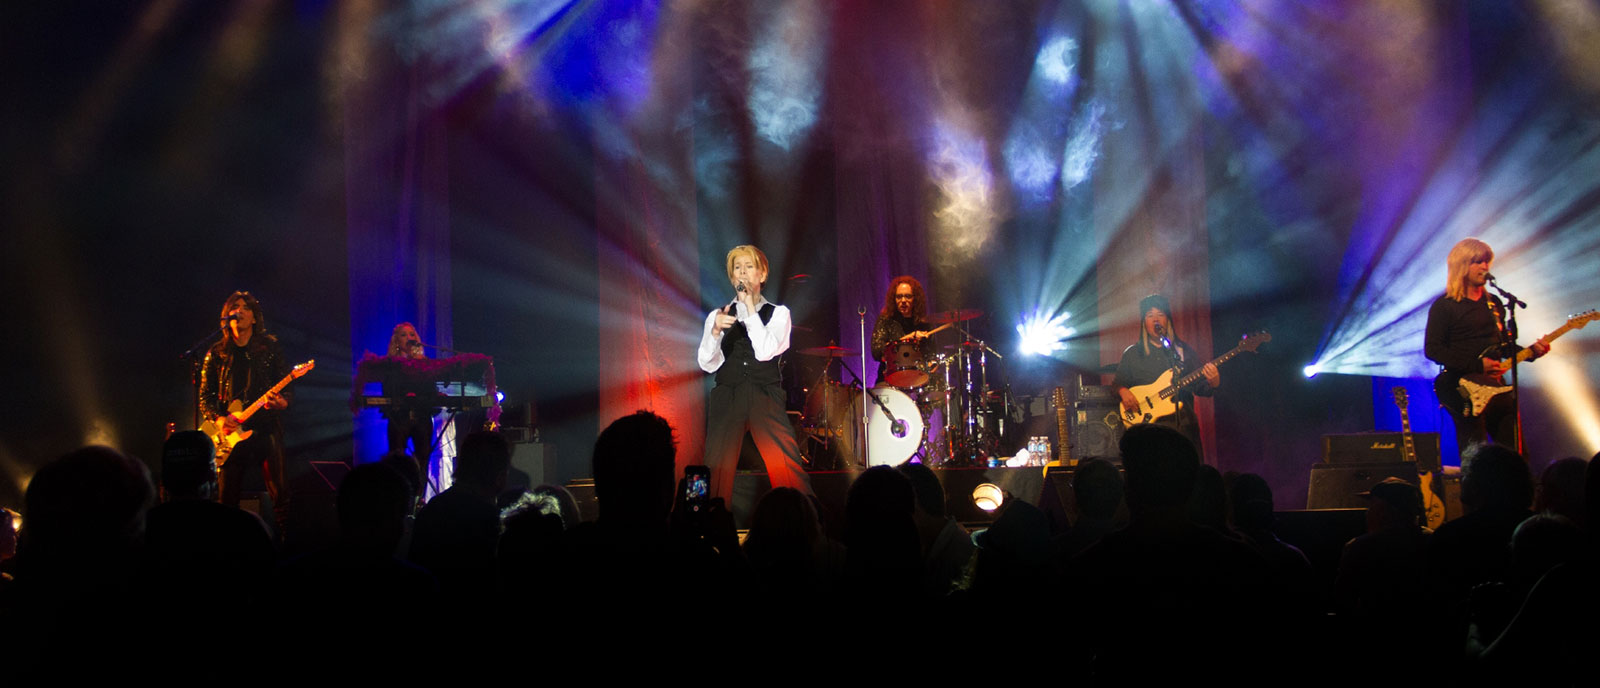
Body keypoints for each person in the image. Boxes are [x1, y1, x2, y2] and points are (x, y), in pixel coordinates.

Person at [697, 245, 812, 503]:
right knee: (714, 467)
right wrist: (715, 332)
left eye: (749, 266)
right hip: (728, 393)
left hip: (765, 393)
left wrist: (749, 310)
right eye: (737, 268)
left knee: (786, 464)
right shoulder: (718, 315)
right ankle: (704, 521)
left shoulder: (779, 314)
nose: (742, 272)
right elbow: (706, 364)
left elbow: (765, 351)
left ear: (762, 274)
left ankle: (805, 516)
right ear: (732, 277)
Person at [1424, 238, 1549, 452]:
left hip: (1496, 387)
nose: (1484, 266)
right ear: (1462, 265)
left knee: (1515, 452)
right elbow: (1433, 349)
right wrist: (1478, 365)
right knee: (1475, 452)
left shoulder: (1494, 304)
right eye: (1477, 261)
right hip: (1461, 388)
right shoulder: (1444, 306)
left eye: (1486, 261)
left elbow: (1502, 346)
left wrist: (1532, 352)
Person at [199, 291, 292, 533]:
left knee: (280, 493)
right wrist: (219, 419)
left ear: (254, 317)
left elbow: (286, 387)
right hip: (230, 433)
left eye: (245, 307)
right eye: (234, 307)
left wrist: (282, 402)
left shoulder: (269, 348)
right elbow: (205, 397)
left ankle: (285, 540)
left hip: (266, 427)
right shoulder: (216, 353)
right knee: (226, 499)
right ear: (226, 316)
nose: (239, 311)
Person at [1115, 294, 1219, 453]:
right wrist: (1123, 391)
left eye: (1160, 314)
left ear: (1167, 320)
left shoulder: (1183, 351)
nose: (1155, 320)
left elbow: (1201, 388)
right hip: (1147, 431)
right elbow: (1118, 383)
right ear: (1144, 323)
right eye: (1150, 315)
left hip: (1183, 429)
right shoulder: (1132, 354)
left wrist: (1213, 382)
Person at [383, 322, 436, 460]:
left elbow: (431, 388)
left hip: (422, 415)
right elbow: (387, 389)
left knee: (423, 458)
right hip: (399, 416)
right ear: (397, 341)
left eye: (412, 334)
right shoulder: (390, 364)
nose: (408, 338)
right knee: (397, 457)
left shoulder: (425, 363)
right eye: (404, 335)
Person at [871, 275, 934, 385]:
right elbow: (876, 351)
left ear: (915, 299)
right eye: (899, 297)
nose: (903, 300)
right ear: (894, 299)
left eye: (908, 296)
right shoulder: (886, 320)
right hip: (889, 381)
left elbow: (931, 354)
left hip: (917, 381)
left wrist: (932, 363)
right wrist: (909, 338)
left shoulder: (923, 324)